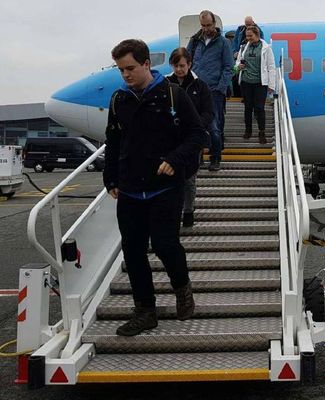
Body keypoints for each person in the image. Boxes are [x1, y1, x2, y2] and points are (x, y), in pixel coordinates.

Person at [103, 39, 206, 336]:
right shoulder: (118, 100)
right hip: (130, 189)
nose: (126, 75)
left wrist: (176, 159)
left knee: (164, 244)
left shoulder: (173, 95)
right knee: (133, 251)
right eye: (121, 70)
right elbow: (113, 141)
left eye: (131, 68)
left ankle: (182, 288)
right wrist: (110, 178)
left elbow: (198, 134)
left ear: (147, 64)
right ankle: (145, 311)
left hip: (165, 188)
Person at [167, 48, 214, 227]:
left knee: (189, 178)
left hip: (192, 139)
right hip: (171, 139)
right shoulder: (165, 84)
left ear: (189, 64)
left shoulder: (200, 86)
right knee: (171, 178)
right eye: (175, 66)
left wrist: (195, 126)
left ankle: (188, 211)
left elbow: (208, 113)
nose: (178, 69)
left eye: (182, 65)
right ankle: (173, 212)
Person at [187, 10, 233, 171]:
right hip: (195, 90)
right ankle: (198, 157)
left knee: (214, 128)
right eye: (203, 25)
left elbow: (229, 68)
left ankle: (215, 158)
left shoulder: (223, 43)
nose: (206, 28)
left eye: (209, 25)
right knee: (195, 126)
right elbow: (187, 63)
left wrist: (221, 88)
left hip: (214, 91)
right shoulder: (194, 42)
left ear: (214, 24)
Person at [235, 25, 276, 144]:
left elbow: (271, 67)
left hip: (260, 83)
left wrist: (271, 85)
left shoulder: (266, 48)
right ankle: (248, 130)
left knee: (259, 108)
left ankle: (261, 132)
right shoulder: (243, 47)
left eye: (250, 36)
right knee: (248, 108)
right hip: (246, 82)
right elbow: (237, 62)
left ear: (257, 35)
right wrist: (238, 66)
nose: (248, 38)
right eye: (247, 36)